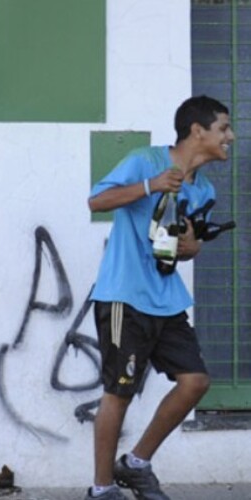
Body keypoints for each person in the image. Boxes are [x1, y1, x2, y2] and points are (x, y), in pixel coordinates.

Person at [85, 95, 234, 500]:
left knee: (195, 382)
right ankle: (101, 489)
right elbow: (97, 200)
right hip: (125, 296)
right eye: (224, 128)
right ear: (197, 130)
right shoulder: (145, 160)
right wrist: (151, 186)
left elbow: (183, 245)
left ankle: (135, 464)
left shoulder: (204, 191)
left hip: (167, 300)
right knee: (119, 392)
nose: (231, 137)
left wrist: (193, 248)